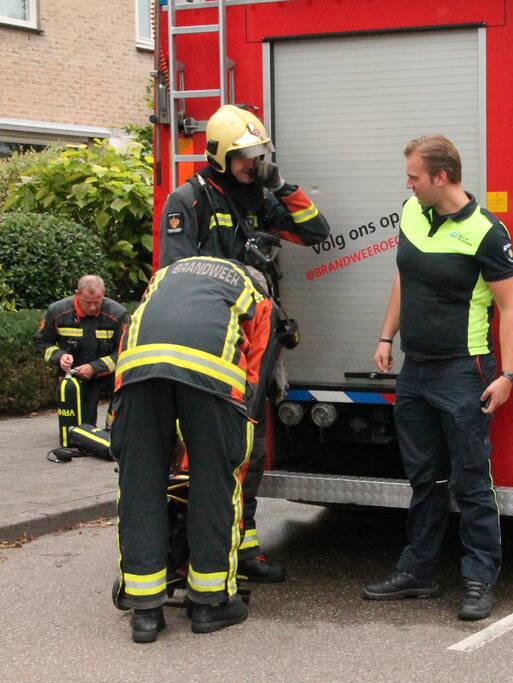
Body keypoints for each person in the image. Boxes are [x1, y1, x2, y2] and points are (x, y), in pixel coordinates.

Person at [159, 104, 331, 583]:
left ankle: (244, 543)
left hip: (255, 337)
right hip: (212, 344)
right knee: (213, 447)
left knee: (250, 446)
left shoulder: (259, 194)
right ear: (216, 156)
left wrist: (280, 186)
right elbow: (175, 278)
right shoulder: (187, 201)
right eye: (244, 158)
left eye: (258, 156)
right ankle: (202, 547)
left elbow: (316, 232)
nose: (251, 165)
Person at [362, 135, 513, 621]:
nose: (407, 183)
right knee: (424, 477)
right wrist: (387, 336)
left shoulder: (486, 232)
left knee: (471, 480)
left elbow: (511, 307)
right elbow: (402, 279)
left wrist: (508, 374)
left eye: (414, 176)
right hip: (416, 370)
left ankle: (478, 579)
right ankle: (420, 570)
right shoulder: (412, 212)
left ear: (441, 177)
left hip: (463, 369)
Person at [112, 255, 271, 642]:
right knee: (215, 486)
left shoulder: (166, 274)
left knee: (140, 487)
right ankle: (210, 603)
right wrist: (236, 431)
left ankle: (145, 612)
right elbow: (255, 370)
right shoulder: (256, 294)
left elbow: (134, 326)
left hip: (136, 373)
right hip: (212, 379)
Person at [33, 275, 128, 442]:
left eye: (97, 302)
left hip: (109, 374)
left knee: (126, 389)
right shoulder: (57, 312)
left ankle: (115, 433)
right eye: (87, 302)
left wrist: (95, 367)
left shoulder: (118, 314)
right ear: (76, 294)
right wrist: (59, 356)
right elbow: (41, 343)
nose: (92, 308)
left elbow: (125, 352)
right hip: (76, 377)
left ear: (104, 294)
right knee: (81, 432)